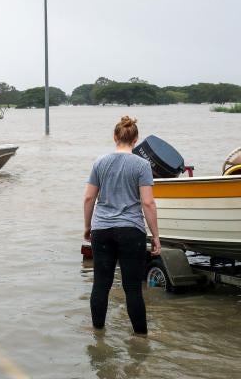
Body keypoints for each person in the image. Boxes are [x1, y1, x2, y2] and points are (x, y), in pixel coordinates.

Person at [84, 116, 162, 335]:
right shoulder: (142, 165)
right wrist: (156, 236)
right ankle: (140, 339)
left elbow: (89, 198)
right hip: (131, 231)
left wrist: (87, 226)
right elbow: (147, 202)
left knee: (101, 284)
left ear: (114, 137)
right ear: (135, 139)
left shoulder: (100, 162)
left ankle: (98, 336)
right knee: (132, 288)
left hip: (102, 229)